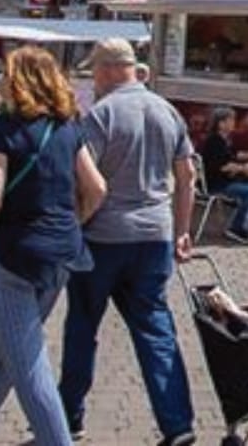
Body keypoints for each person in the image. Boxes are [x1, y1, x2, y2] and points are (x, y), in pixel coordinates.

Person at [0, 47, 106, 446]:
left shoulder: (0, 129)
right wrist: (71, 224)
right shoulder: (68, 127)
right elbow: (96, 188)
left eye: (4, 73)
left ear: (19, 80)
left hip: (8, 256)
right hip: (60, 255)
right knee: (5, 354)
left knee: (28, 366)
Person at [59, 38, 197, 446]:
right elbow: (187, 176)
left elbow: (86, 181)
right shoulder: (166, 110)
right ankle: (177, 423)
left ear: (106, 70)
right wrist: (182, 229)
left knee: (83, 325)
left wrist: (75, 224)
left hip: (103, 236)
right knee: (156, 329)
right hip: (154, 235)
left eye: (95, 71)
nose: (94, 79)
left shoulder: (101, 115)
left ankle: (69, 416)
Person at [198, 107, 248, 244]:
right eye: (230, 120)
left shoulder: (223, 140)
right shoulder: (215, 142)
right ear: (221, 124)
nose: (233, 123)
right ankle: (235, 228)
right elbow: (223, 166)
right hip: (215, 184)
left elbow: (235, 155)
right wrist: (243, 168)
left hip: (221, 180)